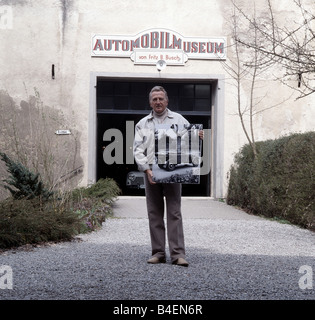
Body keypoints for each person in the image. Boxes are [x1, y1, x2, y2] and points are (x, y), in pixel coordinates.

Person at [133, 86, 194, 267]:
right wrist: (146, 169)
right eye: (154, 99)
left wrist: (196, 136)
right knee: (154, 213)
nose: (158, 102)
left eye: (161, 99)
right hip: (151, 171)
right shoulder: (143, 124)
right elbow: (137, 149)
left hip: (173, 171)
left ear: (166, 101)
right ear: (150, 102)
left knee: (174, 212)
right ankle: (158, 253)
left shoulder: (179, 119)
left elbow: (188, 142)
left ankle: (178, 255)